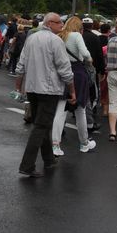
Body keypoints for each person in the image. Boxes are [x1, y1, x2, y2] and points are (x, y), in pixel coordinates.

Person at [15, 13, 75, 178]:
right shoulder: (56, 41)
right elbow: (64, 68)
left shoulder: (31, 38)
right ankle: (27, 165)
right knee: (41, 126)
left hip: (33, 88)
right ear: (49, 23)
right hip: (49, 90)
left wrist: (19, 86)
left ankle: (49, 159)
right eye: (59, 22)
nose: (61, 25)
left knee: (42, 123)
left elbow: (21, 64)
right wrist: (72, 89)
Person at [50, 17, 96, 156]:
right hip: (77, 73)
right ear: (79, 26)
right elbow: (85, 53)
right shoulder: (76, 36)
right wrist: (89, 60)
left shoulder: (60, 36)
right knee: (80, 109)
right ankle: (84, 143)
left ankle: (55, 145)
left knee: (61, 109)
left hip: (62, 72)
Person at [81, 17, 105, 133]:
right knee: (92, 94)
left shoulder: (78, 36)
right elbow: (99, 55)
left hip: (78, 68)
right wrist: (102, 70)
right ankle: (91, 117)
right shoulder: (95, 38)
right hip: (91, 69)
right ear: (91, 26)